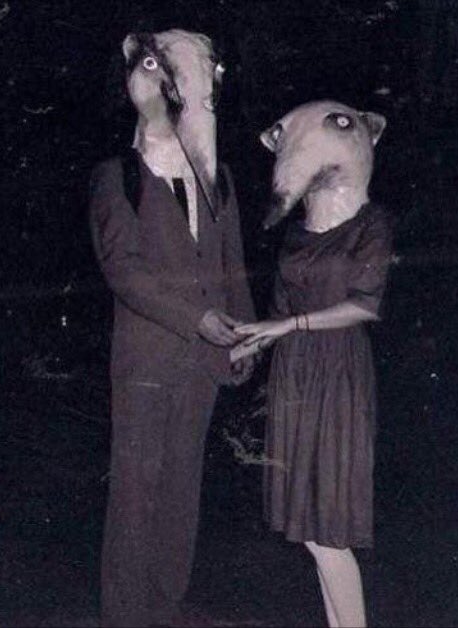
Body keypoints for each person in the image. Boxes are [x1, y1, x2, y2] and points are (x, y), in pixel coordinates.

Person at [89, 29, 255, 628]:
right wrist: (197, 320)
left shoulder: (218, 176)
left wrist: (246, 335)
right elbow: (124, 272)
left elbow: (232, 265)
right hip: (147, 363)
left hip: (203, 365)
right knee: (135, 491)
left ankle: (166, 607)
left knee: (183, 488)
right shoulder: (118, 176)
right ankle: (125, 616)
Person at [235, 101, 392, 627]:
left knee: (330, 531)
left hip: (339, 371)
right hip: (295, 375)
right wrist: (248, 344)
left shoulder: (372, 224)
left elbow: (364, 306)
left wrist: (290, 327)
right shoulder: (298, 232)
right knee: (308, 530)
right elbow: (279, 312)